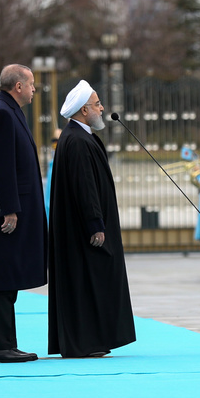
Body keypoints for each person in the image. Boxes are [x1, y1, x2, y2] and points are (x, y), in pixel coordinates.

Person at [47, 80, 136, 358]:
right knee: (89, 282)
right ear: (84, 110)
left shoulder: (77, 136)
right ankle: (87, 342)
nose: (102, 108)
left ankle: (90, 340)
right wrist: (95, 223)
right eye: (97, 104)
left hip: (80, 228)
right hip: (85, 231)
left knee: (87, 283)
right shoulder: (77, 140)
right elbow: (85, 187)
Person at [0, 64, 47, 364]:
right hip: (6, 214)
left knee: (6, 278)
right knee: (4, 277)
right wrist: (10, 210)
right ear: (18, 86)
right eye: (31, 85)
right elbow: (1, 167)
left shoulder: (5, 110)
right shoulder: (3, 113)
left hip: (9, 210)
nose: (33, 90)